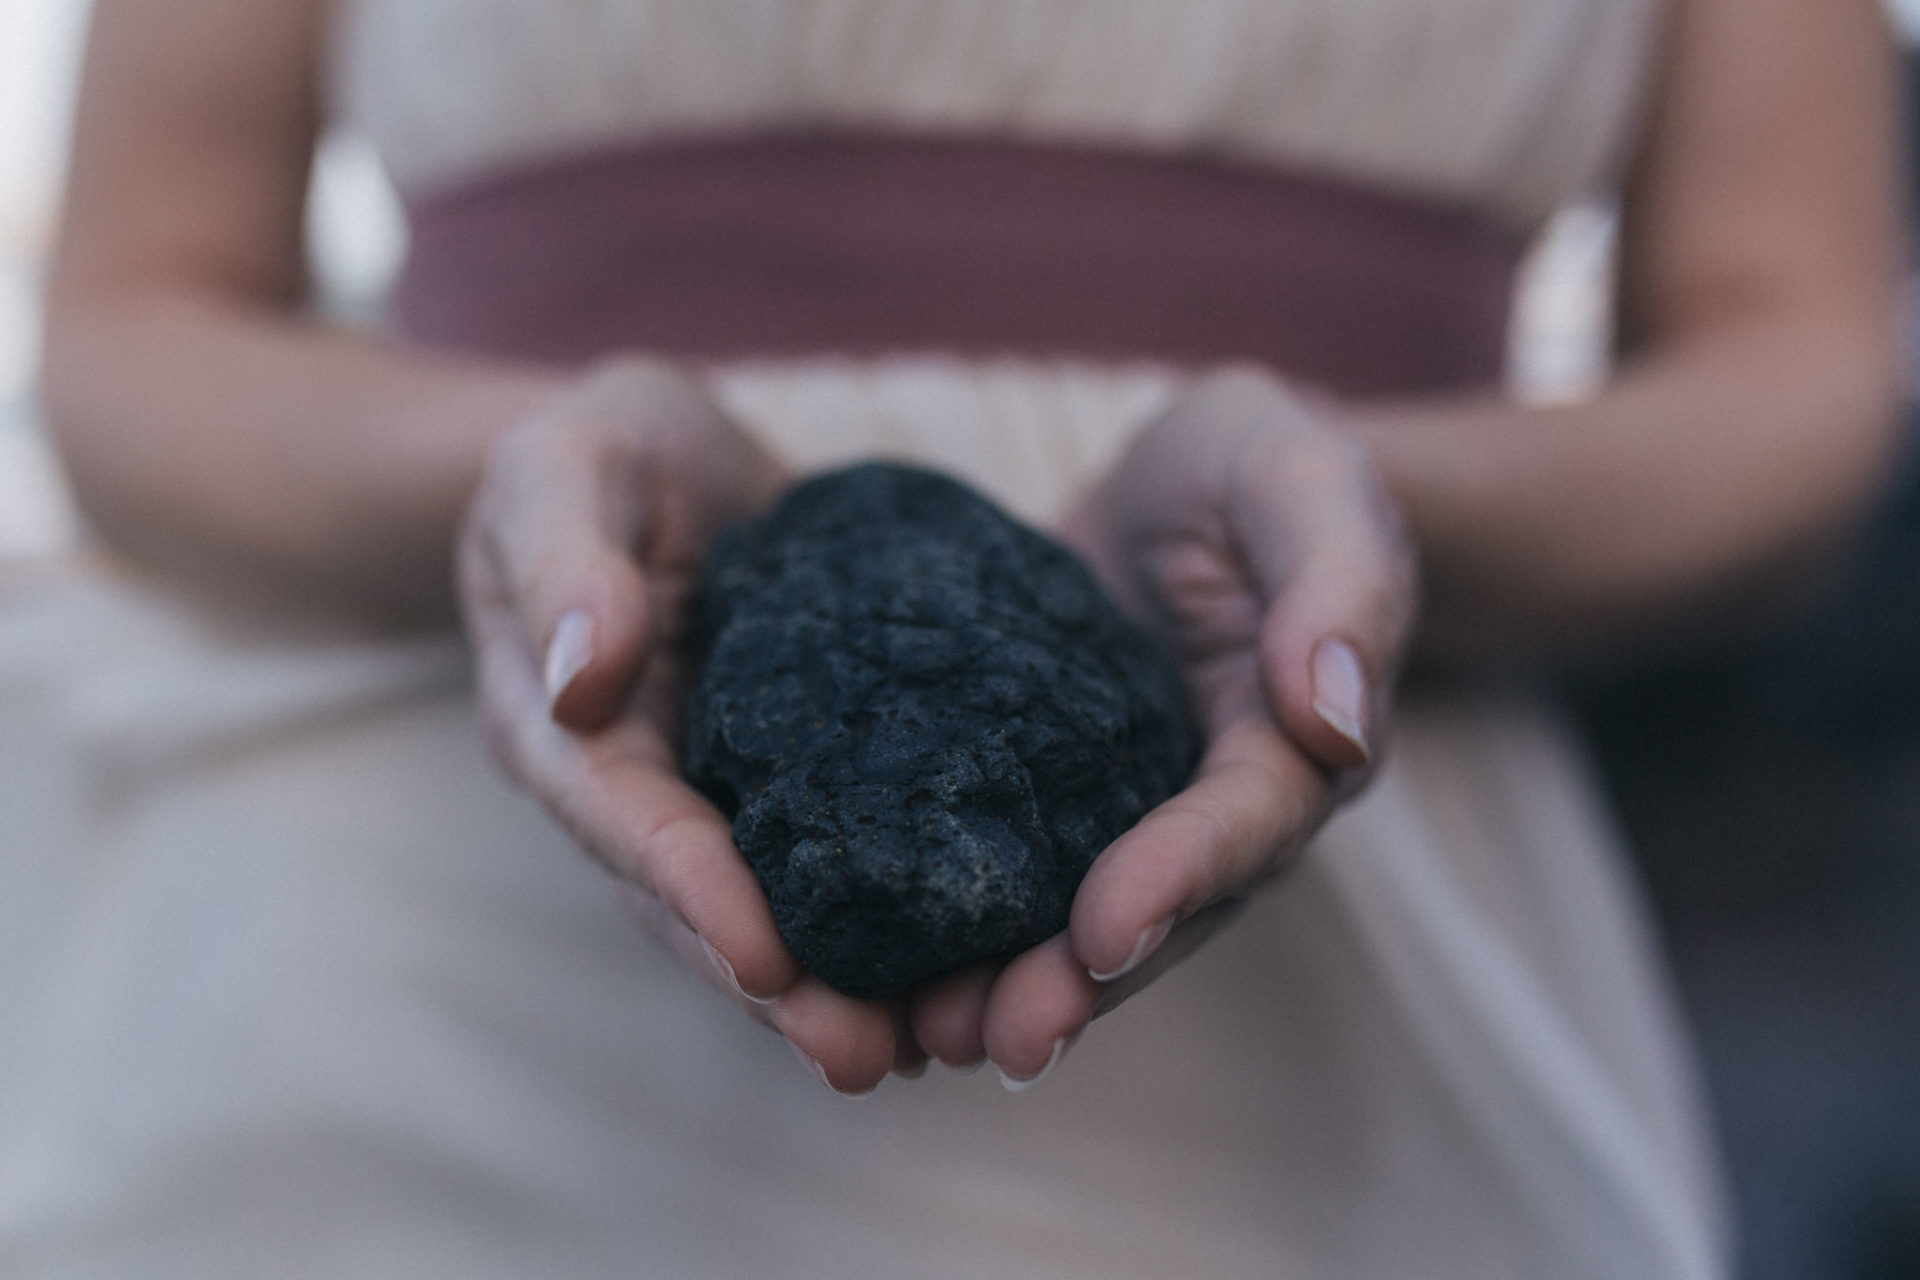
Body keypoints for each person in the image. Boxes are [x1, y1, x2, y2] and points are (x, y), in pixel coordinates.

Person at [1, 0, 1900, 1276]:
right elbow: (132, 329)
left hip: (1331, 995)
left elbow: (1795, 356)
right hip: (394, 959)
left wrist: (1373, 509)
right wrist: (512, 477)